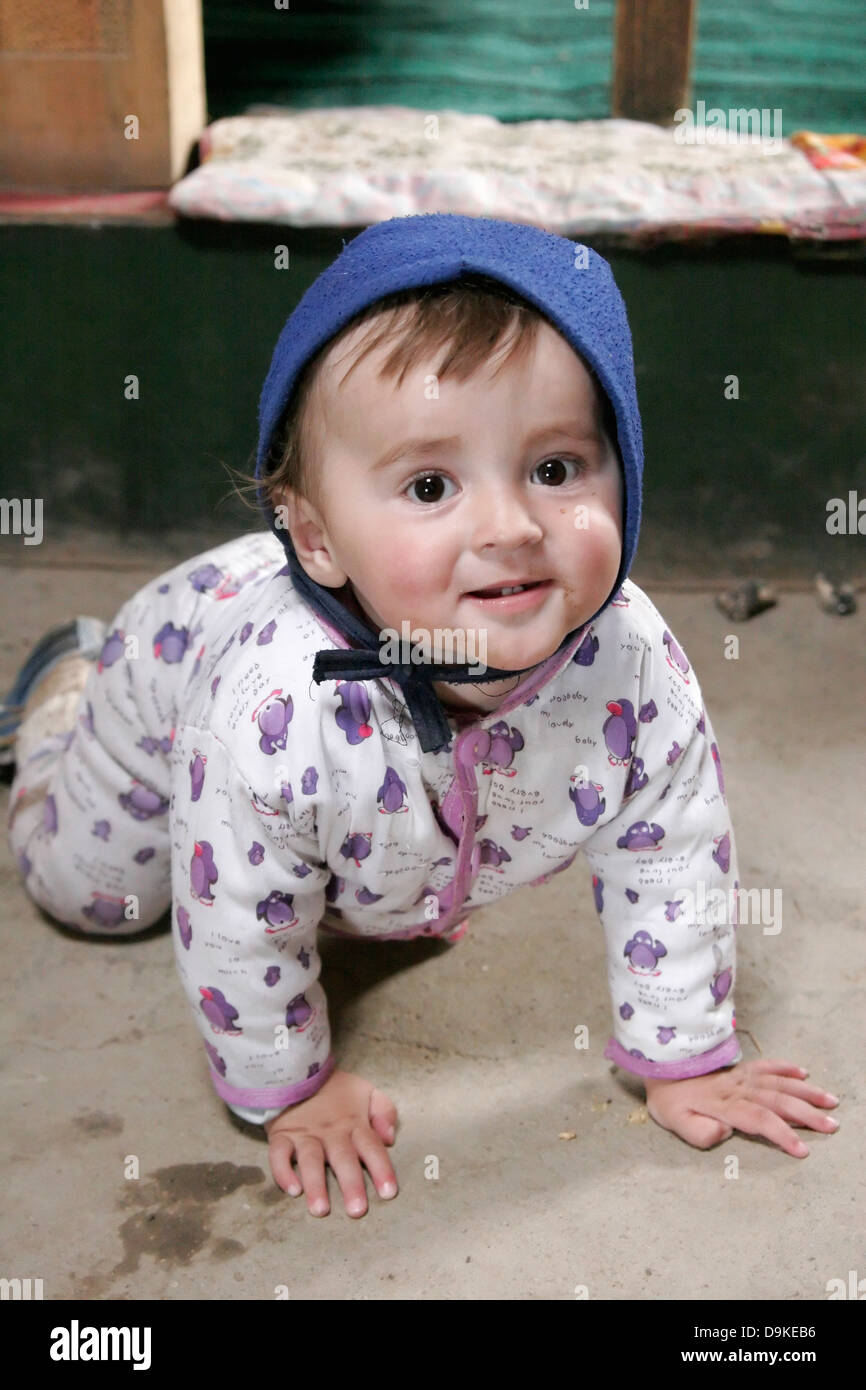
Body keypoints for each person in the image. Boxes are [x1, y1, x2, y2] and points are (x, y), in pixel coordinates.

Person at [3, 214, 839, 1220]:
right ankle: (62, 693)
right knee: (95, 895)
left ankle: (389, 883)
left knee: (376, 874)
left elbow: (672, 848)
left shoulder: (632, 659)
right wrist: (293, 1087)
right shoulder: (271, 705)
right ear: (314, 536)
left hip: (367, 790)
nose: (511, 526)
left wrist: (680, 1056)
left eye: (556, 467)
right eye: (431, 484)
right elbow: (235, 912)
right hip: (166, 675)